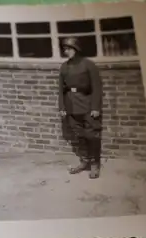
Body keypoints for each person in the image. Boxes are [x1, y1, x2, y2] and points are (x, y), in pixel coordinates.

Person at [58, 37, 104, 179]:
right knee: (79, 135)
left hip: (87, 104)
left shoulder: (88, 65)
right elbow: (61, 89)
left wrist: (95, 107)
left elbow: (97, 87)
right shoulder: (64, 67)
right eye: (65, 49)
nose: (67, 52)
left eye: (69, 49)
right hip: (71, 104)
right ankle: (84, 162)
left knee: (92, 135)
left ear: (77, 49)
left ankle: (95, 164)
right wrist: (62, 107)